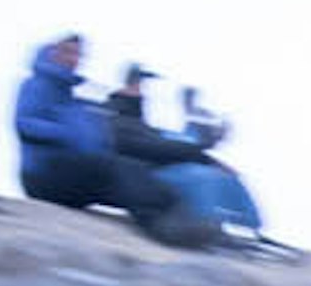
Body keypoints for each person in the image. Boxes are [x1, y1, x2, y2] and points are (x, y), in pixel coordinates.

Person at [14, 35, 212, 246]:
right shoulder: (37, 85)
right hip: (43, 172)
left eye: (77, 55)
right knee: (119, 168)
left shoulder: (73, 98)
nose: (73, 59)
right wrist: (68, 134)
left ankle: (186, 222)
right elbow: (25, 124)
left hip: (73, 174)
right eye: (67, 53)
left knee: (135, 175)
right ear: (51, 53)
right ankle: (167, 230)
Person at [110, 64, 277, 249]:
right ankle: (210, 225)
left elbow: (158, 139)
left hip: (158, 162)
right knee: (202, 178)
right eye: (139, 85)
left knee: (226, 177)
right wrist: (199, 154)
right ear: (129, 84)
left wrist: (203, 153)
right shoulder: (118, 112)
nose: (143, 92)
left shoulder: (137, 116)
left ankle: (246, 227)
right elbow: (144, 145)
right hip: (146, 170)